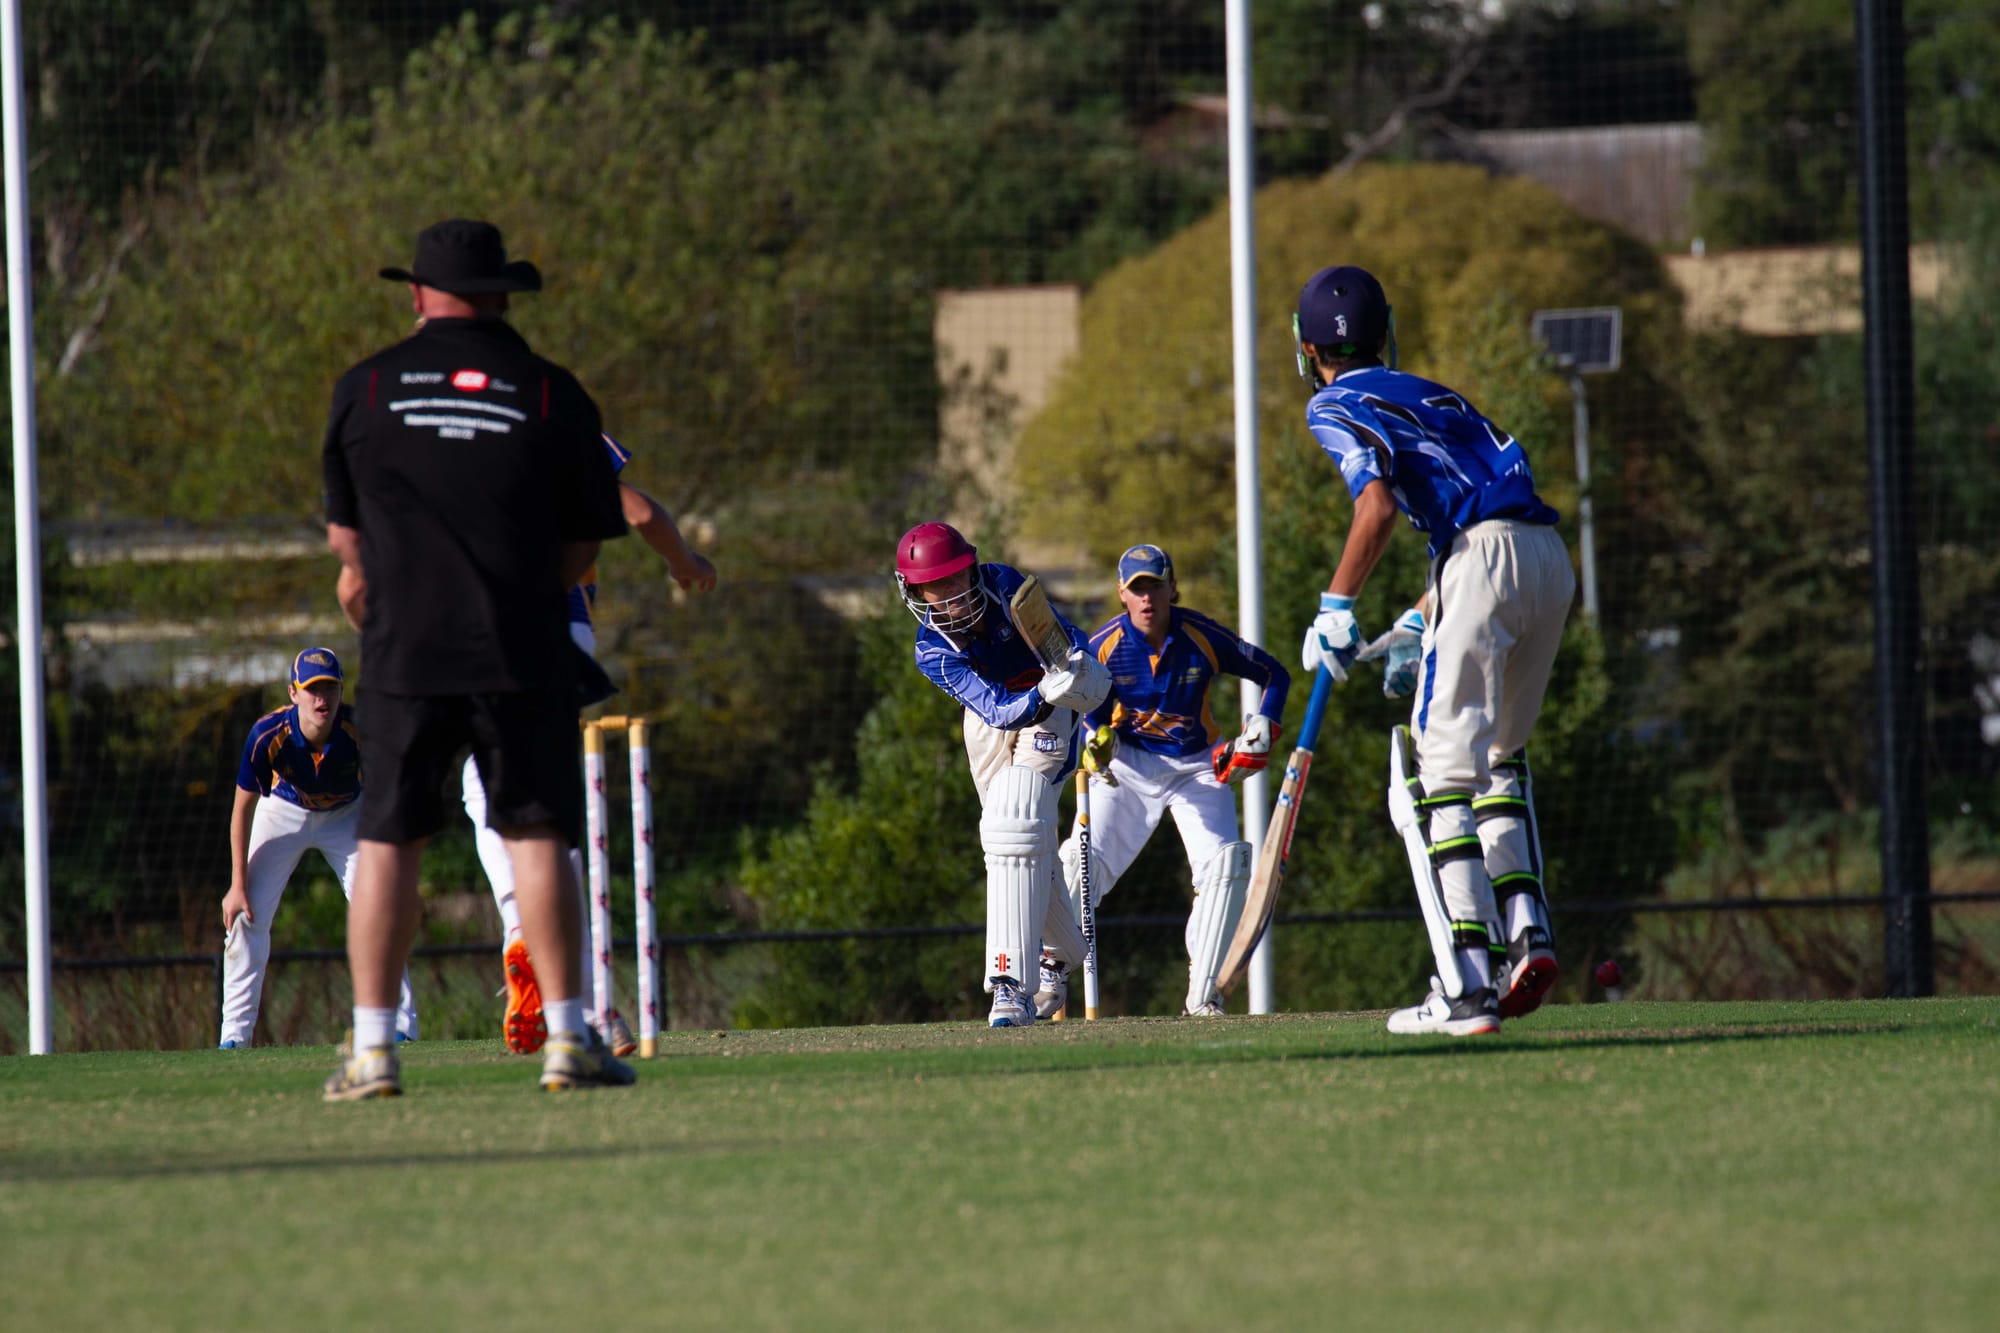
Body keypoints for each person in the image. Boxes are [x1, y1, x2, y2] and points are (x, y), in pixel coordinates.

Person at [320, 217, 633, 1098]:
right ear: (503, 296)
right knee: (536, 834)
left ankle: (375, 1050)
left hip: (401, 653)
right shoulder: (551, 392)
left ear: (416, 294)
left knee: (387, 840)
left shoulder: (367, 387)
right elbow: (583, 551)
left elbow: (349, 550)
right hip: (521, 646)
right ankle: (571, 1039)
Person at [1294, 263, 1574, 1037]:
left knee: (1436, 773)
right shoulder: (1432, 392)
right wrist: (1424, 617)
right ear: (1386, 332)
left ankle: (1466, 983)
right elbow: (1486, 521)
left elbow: (1377, 507)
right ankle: (1528, 934)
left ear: (1306, 347)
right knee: (1500, 759)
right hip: (1546, 559)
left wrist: (1337, 608)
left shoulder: (1332, 402)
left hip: (1478, 562)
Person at [462, 432, 716, 1059]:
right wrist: (685, 564)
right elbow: (640, 512)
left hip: (474, 623)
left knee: (484, 787)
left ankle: (527, 935)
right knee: (550, 803)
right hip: (560, 626)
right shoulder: (562, 428)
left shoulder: (462, 434)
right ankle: (595, 1006)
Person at [1048, 545, 1290, 1018]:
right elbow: (1091, 714)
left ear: (1172, 588)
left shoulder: (1201, 635)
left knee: (1226, 867)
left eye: (1155, 586)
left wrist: (1265, 727)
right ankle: (1047, 978)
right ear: (1122, 593)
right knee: (1079, 862)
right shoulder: (1104, 645)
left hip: (1198, 768)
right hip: (1129, 769)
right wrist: (1097, 743)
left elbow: (1273, 674)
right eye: (1137, 589)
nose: (1147, 599)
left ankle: (1203, 997)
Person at [895, 522, 1109, 1027]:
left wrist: (1074, 665)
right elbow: (998, 710)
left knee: (1016, 818)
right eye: (937, 586)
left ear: (972, 568)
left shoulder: (1004, 584)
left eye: (956, 578)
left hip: (1051, 705)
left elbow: (1059, 634)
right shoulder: (932, 650)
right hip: (1001, 712)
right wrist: (1046, 693)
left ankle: (1009, 985)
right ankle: (1060, 955)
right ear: (915, 593)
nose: (951, 594)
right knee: (1013, 838)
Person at [217, 647, 417, 1048]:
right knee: (245, 916)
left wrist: (400, 873)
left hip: (346, 814)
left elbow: (389, 797)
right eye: (311, 689)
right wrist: (236, 883)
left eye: (329, 688)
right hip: (283, 810)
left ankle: (402, 1027)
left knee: (382, 908)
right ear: (294, 693)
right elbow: (242, 808)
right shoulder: (267, 735)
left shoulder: (360, 730)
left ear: (342, 691)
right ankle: (234, 1039)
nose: (321, 699)